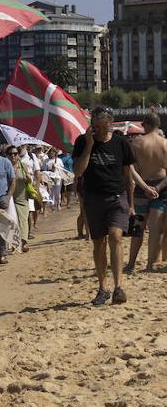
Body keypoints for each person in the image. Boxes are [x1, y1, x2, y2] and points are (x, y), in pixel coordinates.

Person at [72, 106, 148, 305]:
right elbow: (78, 172)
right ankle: (103, 287)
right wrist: (89, 145)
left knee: (115, 236)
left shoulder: (120, 143)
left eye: (102, 126)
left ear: (110, 124)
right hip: (93, 198)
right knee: (99, 242)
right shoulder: (82, 142)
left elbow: (128, 176)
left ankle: (118, 287)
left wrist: (131, 204)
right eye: (95, 126)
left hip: (117, 197)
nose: (98, 130)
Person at [127, 112, 167, 271]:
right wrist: (157, 188)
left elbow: (130, 169)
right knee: (156, 230)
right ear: (158, 125)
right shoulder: (165, 143)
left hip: (141, 188)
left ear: (146, 125)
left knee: (138, 227)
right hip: (161, 188)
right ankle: (150, 265)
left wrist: (144, 186)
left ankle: (131, 264)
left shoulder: (136, 143)